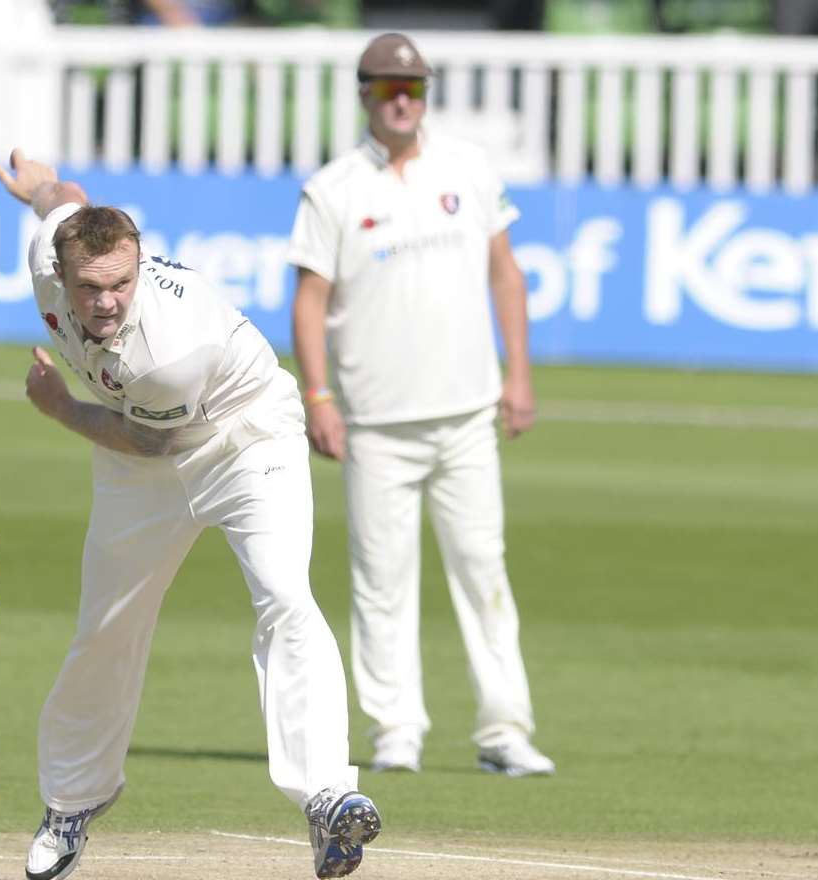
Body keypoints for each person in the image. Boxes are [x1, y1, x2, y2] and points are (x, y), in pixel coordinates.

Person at [0, 149, 382, 880]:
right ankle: (73, 800)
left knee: (284, 596)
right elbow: (62, 200)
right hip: (143, 467)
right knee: (107, 627)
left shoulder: (167, 348)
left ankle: (326, 794)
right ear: (63, 274)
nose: (106, 302)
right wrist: (36, 187)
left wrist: (61, 407)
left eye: (120, 285)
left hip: (243, 436)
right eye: (90, 288)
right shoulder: (54, 248)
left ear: (137, 270)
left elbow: (146, 435)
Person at [286, 32, 555, 778]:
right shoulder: (334, 187)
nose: (400, 100)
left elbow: (506, 275)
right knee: (381, 577)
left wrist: (519, 375)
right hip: (374, 419)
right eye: (384, 88)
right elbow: (309, 302)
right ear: (364, 95)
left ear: (426, 94)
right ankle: (394, 728)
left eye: (412, 88)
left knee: (481, 568)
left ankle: (504, 729)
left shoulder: (465, 167)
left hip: (466, 411)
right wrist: (316, 394)